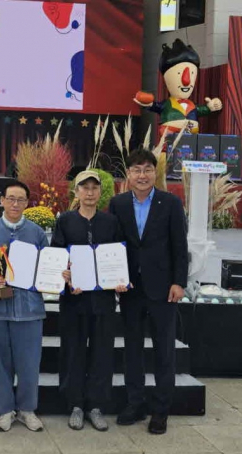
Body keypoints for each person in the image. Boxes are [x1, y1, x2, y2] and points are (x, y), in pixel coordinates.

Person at [109, 148, 188, 435]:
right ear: (128, 174)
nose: (142, 175)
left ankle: (160, 411)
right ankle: (135, 404)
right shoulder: (117, 203)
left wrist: (179, 282)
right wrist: (114, 277)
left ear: (155, 173)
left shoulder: (171, 203)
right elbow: (113, 245)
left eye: (147, 170)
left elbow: (179, 246)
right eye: (136, 170)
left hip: (163, 289)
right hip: (130, 288)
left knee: (164, 351)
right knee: (132, 350)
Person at [51, 170, 128, 432]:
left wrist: (121, 280)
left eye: (95, 188)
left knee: (102, 353)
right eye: (85, 187)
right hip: (74, 301)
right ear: (76, 192)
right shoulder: (65, 221)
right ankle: (74, 405)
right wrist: (65, 278)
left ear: (100, 192)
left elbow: (119, 256)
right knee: (73, 352)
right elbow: (58, 257)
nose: (90, 192)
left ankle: (96, 406)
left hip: (103, 301)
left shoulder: (111, 222)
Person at [0, 180, 47, 432]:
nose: (15, 204)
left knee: (29, 363)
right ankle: (4, 410)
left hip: (30, 310)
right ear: (2, 201)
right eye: (11, 199)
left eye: (21, 200)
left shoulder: (37, 233)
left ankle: (27, 409)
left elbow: (47, 265)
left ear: (27, 203)